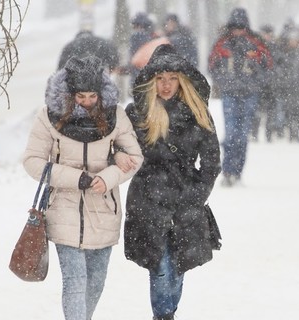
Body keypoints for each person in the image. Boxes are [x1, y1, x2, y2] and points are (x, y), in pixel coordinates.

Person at [22, 55, 143, 320]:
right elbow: (32, 161)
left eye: (92, 96)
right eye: (80, 97)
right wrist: (76, 178)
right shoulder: (48, 117)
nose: (87, 103)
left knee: (96, 283)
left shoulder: (116, 116)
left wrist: (109, 176)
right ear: (68, 94)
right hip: (63, 209)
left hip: (104, 210)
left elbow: (135, 158)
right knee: (75, 282)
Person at [123, 44, 221, 320]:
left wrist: (198, 193)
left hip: (185, 197)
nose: (166, 85)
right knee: (161, 263)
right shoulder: (137, 113)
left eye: (172, 78)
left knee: (178, 264)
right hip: (148, 198)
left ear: (182, 80)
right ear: (151, 80)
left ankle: (168, 312)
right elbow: (119, 151)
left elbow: (212, 160)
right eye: (160, 78)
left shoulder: (197, 113)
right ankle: (163, 315)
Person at [208, 7, 272, 187]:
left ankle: (237, 171)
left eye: (241, 27)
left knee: (242, 136)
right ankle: (228, 170)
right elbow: (212, 65)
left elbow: (267, 66)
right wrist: (223, 82)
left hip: (249, 95)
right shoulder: (222, 44)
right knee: (230, 134)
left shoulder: (256, 43)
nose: (238, 31)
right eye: (235, 27)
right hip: (230, 94)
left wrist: (255, 82)